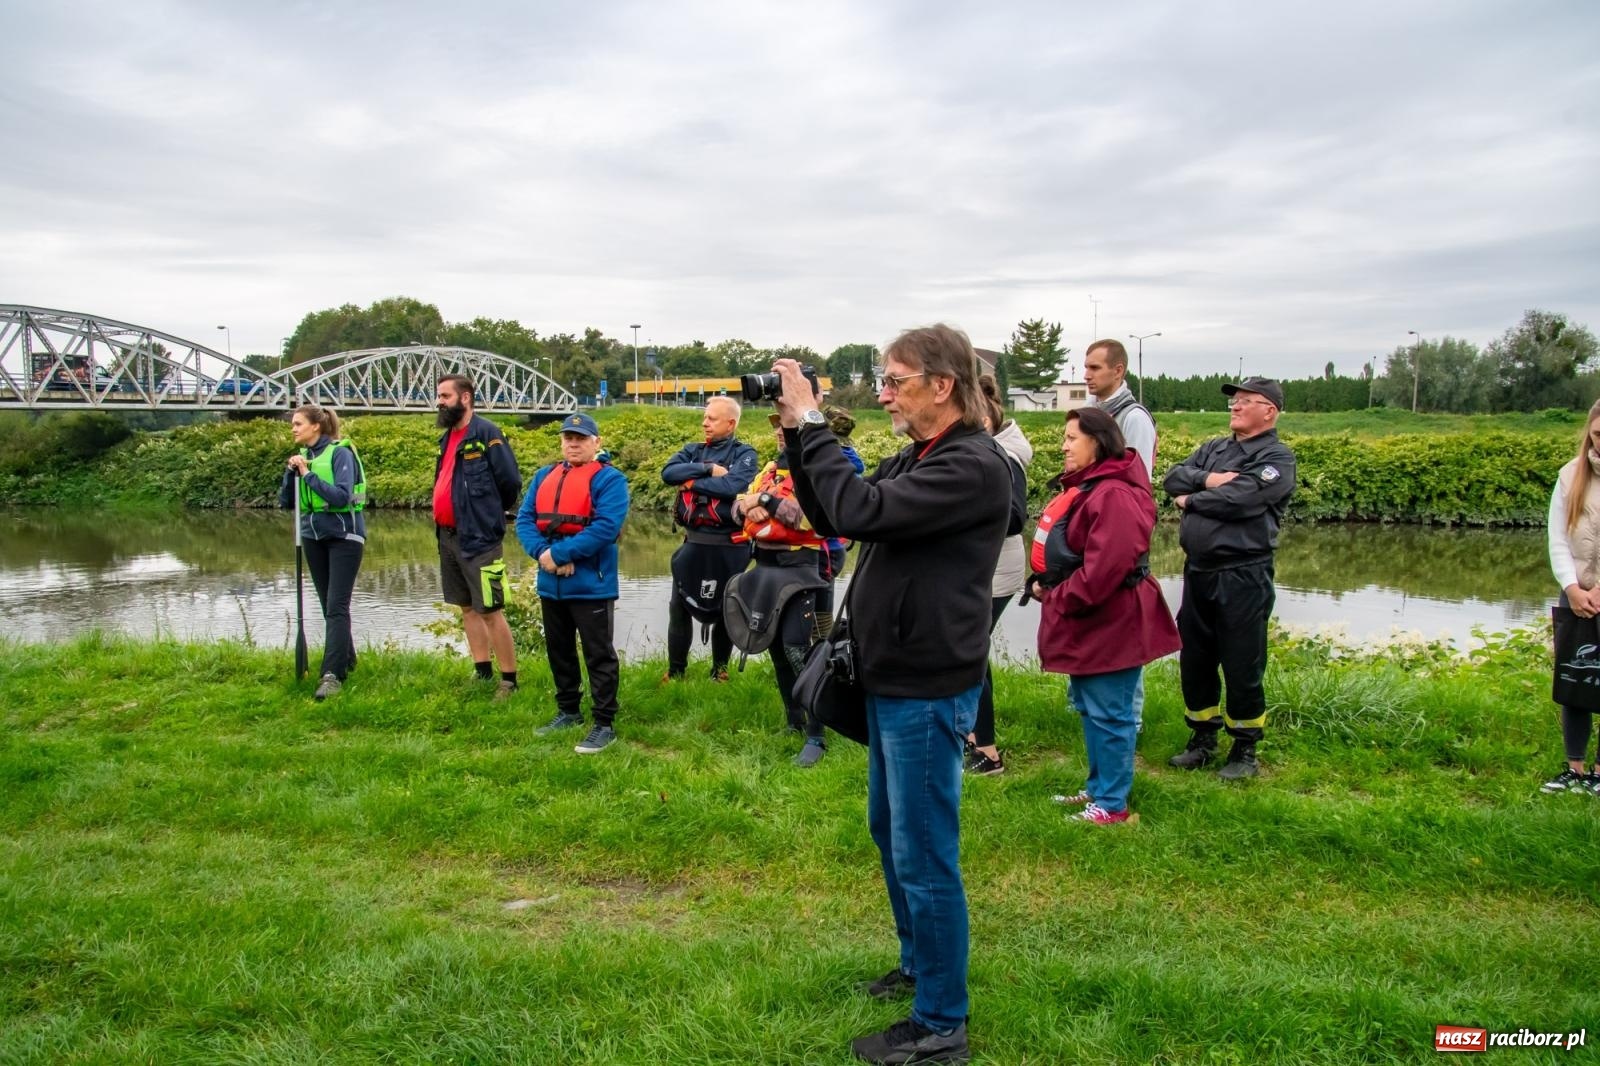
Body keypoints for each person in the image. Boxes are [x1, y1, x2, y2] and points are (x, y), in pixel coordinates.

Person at [777, 325, 1012, 1066]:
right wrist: (794, 436)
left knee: (925, 853)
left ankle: (943, 1023)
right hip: (893, 675)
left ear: (942, 385)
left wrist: (815, 422)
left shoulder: (976, 466)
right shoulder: (925, 455)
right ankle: (919, 967)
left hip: (927, 683)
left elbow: (862, 514)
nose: (884, 393)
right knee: (892, 834)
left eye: (895, 379)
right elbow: (834, 514)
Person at [1032, 407, 1180, 823]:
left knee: (1112, 713)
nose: (1063, 446)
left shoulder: (1113, 495)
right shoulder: (1095, 488)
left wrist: (1058, 597)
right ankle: (1098, 788)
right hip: (1094, 620)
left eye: (1071, 438)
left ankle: (1112, 805)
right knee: (1091, 706)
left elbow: (1103, 574)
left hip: (1113, 621)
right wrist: (1044, 584)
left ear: (1098, 442)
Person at [1162, 377, 1296, 779]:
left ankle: (1245, 749)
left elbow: (1244, 499)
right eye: (1234, 401)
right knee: (1196, 658)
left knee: (1242, 660)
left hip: (1243, 574)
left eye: (1244, 401)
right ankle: (1202, 739)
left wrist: (1192, 499)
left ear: (1269, 410)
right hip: (1199, 571)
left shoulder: (1277, 457)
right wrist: (1207, 479)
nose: (1234, 407)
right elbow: (1172, 478)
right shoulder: (1215, 449)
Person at [515, 413, 631, 754]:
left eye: (581, 438)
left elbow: (606, 527)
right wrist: (545, 555)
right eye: (568, 437)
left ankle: (604, 723)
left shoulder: (610, 480)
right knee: (559, 650)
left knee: (598, 654)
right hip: (551, 581)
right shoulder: (543, 475)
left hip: (591, 583)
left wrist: (564, 554)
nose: (573, 443)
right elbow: (524, 520)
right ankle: (568, 711)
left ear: (596, 442)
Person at [731, 417, 833, 767]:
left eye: (786, 426)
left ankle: (817, 735)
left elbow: (810, 520)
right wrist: (749, 504)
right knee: (774, 648)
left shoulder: (816, 471)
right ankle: (793, 721)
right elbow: (736, 509)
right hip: (766, 568)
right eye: (775, 425)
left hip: (803, 571)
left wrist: (761, 501)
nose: (778, 431)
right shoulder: (770, 471)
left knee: (799, 651)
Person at [1084, 338, 1159, 733]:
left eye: (1095, 368)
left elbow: (1137, 483)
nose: (1086, 375)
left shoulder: (1132, 418)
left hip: (1121, 535)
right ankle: (1100, 713)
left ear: (1119, 371)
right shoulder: (1096, 413)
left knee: (1124, 631)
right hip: (1097, 531)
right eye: (1086, 367)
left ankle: (1131, 720)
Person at [433, 374, 523, 699]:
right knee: (467, 607)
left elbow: (510, 481)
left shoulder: (486, 434)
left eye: (445, 395)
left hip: (480, 538)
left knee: (490, 609)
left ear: (466, 397)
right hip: (448, 537)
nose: (440, 401)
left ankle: (509, 680)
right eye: (439, 396)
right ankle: (482, 671)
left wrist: (490, 517)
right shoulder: (446, 439)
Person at [660, 396, 758, 682]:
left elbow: (733, 485)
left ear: (731, 423)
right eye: (705, 417)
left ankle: (720, 670)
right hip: (693, 544)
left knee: (727, 608)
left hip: (730, 546)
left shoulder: (745, 454)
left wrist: (689, 482)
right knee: (679, 606)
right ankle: (676, 671)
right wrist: (705, 470)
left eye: (712, 418)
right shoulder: (693, 451)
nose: (705, 422)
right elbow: (668, 473)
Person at [965, 374, 1032, 776]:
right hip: (983, 569)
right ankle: (973, 738)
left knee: (971, 655)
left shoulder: (1005, 456)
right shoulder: (991, 448)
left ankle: (986, 751)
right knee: (971, 654)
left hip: (994, 573)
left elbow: (1013, 518)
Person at [279, 403, 367, 701]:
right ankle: (348, 660)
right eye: (293, 423)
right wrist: (290, 474)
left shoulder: (340, 453)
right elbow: (286, 502)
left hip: (344, 536)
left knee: (336, 606)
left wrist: (308, 476)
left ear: (316, 426)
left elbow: (342, 496)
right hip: (313, 537)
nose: (293, 428)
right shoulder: (302, 458)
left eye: (298, 423)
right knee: (327, 603)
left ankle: (332, 675)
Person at [1543, 398, 1600, 795]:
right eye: (1598, 431)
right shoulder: (1570, 475)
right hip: (1575, 596)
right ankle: (1575, 769)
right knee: (1576, 680)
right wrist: (1572, 587)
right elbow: (1557, 538)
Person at [813, 404, 865, 642]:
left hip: (825, 547)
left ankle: (818, 663)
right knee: (822, 605)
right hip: (835, 546)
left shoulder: (830, 464)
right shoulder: (851, 460)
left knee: (818, 613)